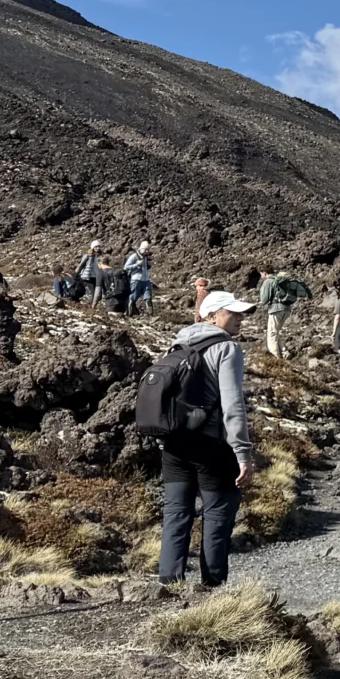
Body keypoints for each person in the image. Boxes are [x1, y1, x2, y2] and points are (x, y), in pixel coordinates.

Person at [157, 291, 257, 588]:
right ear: (212, 316)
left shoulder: (178, 343)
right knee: (217, 514)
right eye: (233, 313)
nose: (240, 318)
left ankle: (169, 583)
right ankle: (211, 587)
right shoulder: (226, 348)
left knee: (176, 513)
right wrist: (243, 453)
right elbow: (232, 405)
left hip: (174, 445)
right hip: (212, 446)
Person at [255, 268, 311, 358]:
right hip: (287, 308)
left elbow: (264, 299)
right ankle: (284, 353)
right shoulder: (281, 279)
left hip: (275, 309)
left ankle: (275, 357)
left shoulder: (268, 281)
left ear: (265, 273)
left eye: (261, 274)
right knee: (276, 332)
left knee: (272, 333)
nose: (261, 277)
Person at [124, 243, 154, 314]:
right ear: (141, 249)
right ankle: (129, 313)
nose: (147, 251)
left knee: (148, 296)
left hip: (146, 279)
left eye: (148, 250)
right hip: (136, 279)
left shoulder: (145, 257)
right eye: (145, 250)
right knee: (133, 297)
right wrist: (137, 264)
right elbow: (126, 267)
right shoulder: (134, 256)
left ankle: (150, 314)